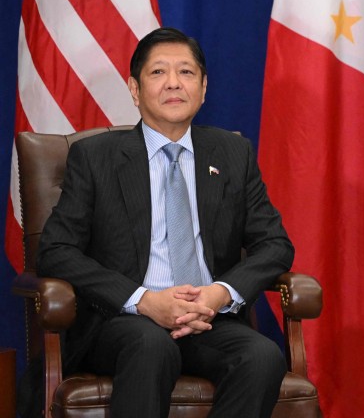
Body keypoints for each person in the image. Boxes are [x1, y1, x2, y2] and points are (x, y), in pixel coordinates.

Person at [36, 27, 295, 418]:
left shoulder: (232, 153)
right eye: (158, 73)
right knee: (150, 346)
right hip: (124, 322)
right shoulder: (95, 158)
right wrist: (143, 301)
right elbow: (55, 250)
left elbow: (275, 244)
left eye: (187, 73)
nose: (174, 83)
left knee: (261, 355)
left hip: (207, 318)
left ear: (204, 88)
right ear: (135, 90)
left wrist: (220, 294)